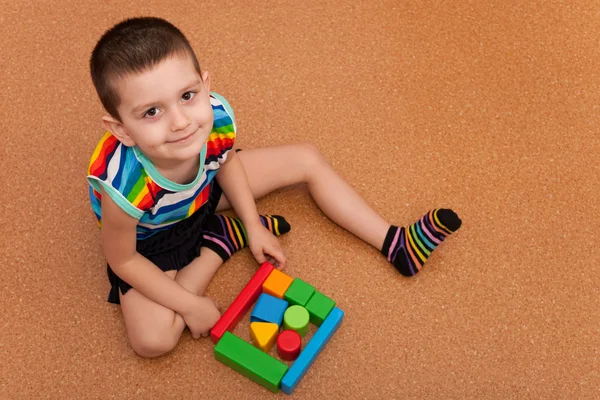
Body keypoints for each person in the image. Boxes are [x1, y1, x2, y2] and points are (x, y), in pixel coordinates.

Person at [87, 17, 462, 358]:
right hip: (154, 236)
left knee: (306, 157)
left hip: (202, 192)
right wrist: (189, 304)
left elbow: (225, 160)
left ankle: (395, 242)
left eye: (187, 96)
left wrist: (253, 224)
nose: (180, 122)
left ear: (205, 85)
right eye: (152, 112)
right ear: (120, 129)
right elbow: (123, 259)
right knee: (153, 341)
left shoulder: (214, 116)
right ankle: (217, 244)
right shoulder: (123, 184)